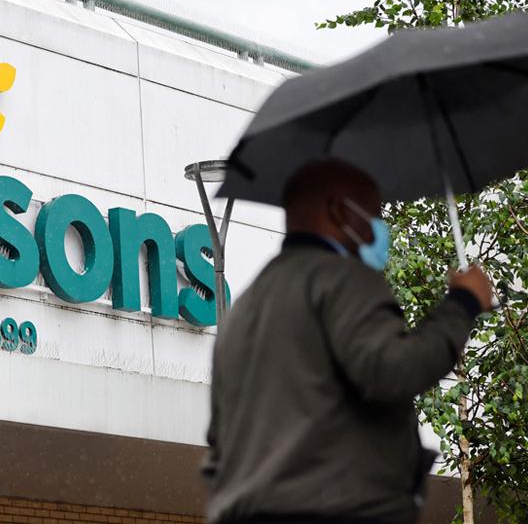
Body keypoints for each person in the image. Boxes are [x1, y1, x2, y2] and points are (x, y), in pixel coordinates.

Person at [203, 160, 494, 524]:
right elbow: (394, 370)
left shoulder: (244, 308)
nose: (379, 229)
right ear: (339, 210)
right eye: (373, 213)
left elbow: (220, 439)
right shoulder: (341, 279)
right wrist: (463, 303)